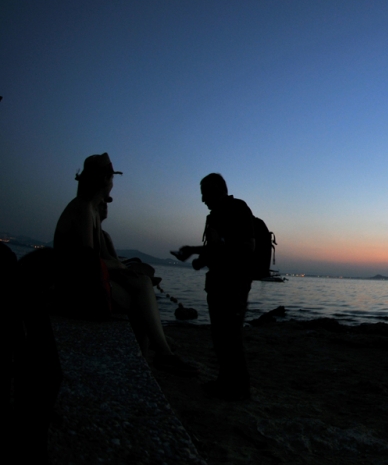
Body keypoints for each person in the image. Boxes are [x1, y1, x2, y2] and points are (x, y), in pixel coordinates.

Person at [53, 153, 195, 376]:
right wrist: (121, 268)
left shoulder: (88, 209)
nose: (112, 186)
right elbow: (86, 264)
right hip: (73, 288)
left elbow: (96, 261)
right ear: (105, 179)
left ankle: (152, 357)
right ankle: (154, 357)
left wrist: (122, 269)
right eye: (111, 179)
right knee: (141, 296)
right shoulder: (82, 209)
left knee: (142, 286)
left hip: (81, 282)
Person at [172, 173, 255, 400]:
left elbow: (247, 246)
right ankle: (225, 382)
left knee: (231, 335)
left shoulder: (238, 209)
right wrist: (197, 254)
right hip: (218, 282)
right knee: (220, 335)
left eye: (205, 195)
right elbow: (217, 250)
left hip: (234, 283)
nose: (202, 200)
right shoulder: (215, 215)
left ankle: (240, 388)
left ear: (218, 191)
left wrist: (217, 245)